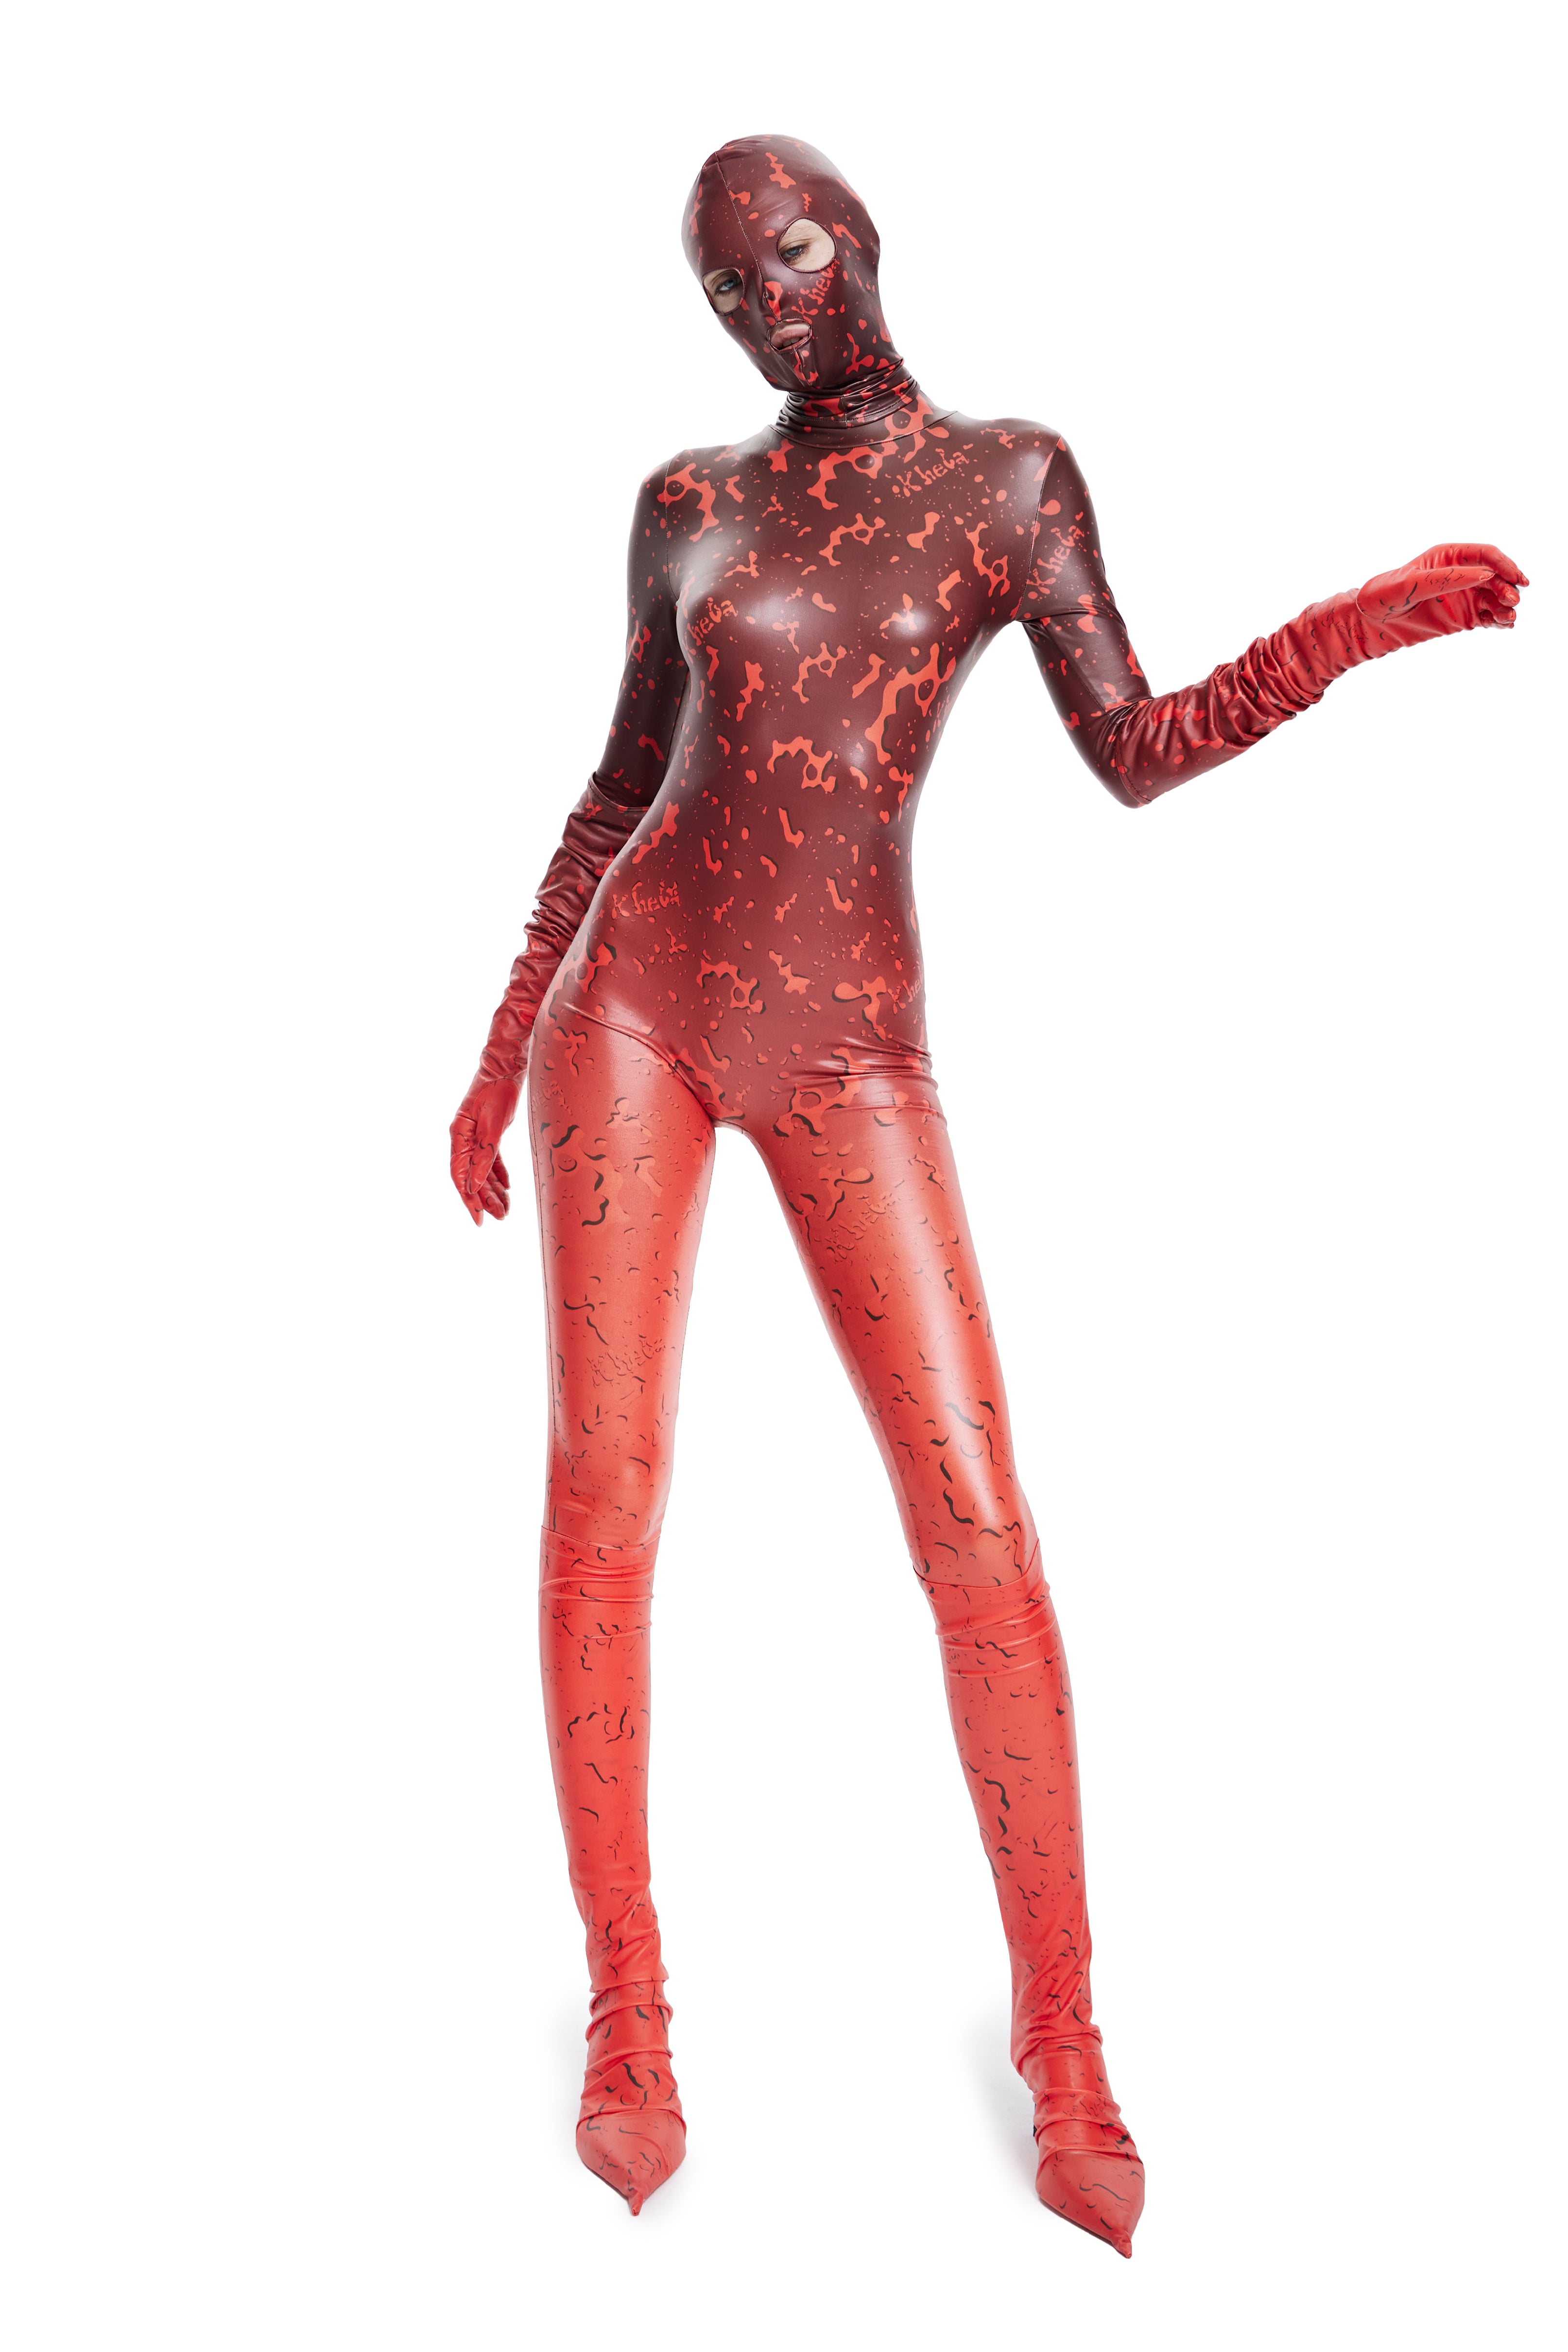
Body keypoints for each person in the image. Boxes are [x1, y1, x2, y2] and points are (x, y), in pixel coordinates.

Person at [449, 133, 1525, 2251]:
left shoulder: (1009, 483)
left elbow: (1137, 744)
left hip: (852, 1038)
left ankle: (1068, 2039)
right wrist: (500, 1043)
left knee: (977, 1522)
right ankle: (629, 2013)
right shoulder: (687, 500)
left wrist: (1353, 627)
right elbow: (615, 787)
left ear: (858, 237)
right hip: (630, 1011)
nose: (768, 303)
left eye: (787, 252)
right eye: (726, 287)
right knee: (606, 1491)